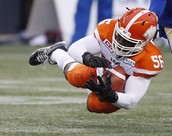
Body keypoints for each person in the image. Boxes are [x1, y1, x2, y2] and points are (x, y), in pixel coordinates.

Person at [28, 7, 163, 113]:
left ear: (144, 42)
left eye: (127, 41)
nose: (119, 42)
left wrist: (112, 96)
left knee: (93, 105)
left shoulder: (149, 59)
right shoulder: (109, 29)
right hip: (100, 69)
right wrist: (87, 58)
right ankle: (56, 53)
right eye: (119, 36)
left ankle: (57, 53)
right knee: (74, 76)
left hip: (117, 89)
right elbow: (76, 47)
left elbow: (131, 100)